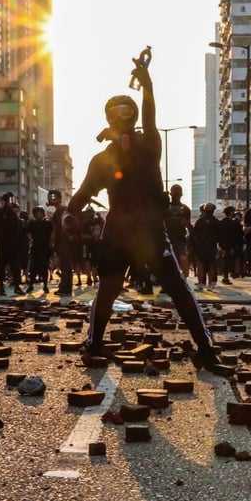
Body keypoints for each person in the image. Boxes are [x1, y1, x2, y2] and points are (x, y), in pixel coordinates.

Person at [65, 52, 220, 371]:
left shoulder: (149, 144)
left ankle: (205, 349)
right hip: (121, 232)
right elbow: (79, 197)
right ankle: (93, 343)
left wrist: (147, 84)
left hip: (148, 232)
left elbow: (149, 116)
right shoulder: (103, 159)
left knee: (177, 288)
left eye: (126, 112)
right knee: (109, 290)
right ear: (109, 119)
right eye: (116, 113)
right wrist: (71, 218)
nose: (121, 118)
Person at [0, 193, 24, 296]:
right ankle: (1, 287)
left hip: (13, 245)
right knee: (0, 268)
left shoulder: (13, 214)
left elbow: (18, 229)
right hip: (2, 244)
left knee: (16, 267)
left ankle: (17, 287)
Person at [164, 184, 193, 278]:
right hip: (167, 237)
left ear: (181, 194)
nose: (176, 194)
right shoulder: (165, 207)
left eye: (178, 191)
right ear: (171, 193)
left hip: (180, 238)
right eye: (174, 191)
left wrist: (187, 225)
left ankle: (184, 280)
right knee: (166, 260)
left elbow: (189, 226)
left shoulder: (186, 209)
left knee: (183, 258)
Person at [190, 202, 219, 291]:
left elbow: (193, 234)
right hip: (205, 246)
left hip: (206, 246)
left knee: (204, 265)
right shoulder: (214, 221)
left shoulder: (202, 221)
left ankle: (204, 284)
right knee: (207, 265)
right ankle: (206, 284)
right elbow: (194, 234)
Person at [25, 205, 53, 293]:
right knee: (33, 268)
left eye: (40, 213)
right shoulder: (32, 223)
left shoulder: (48, 223)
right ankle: (31, 285)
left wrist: (51, 243)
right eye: (37, 213)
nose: (39, 214)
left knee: (44, 268)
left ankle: (45, 285)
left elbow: (52, 233)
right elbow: (26, 231)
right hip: (35, 248)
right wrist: (30, 239)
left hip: (45, 248)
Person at [218, 206, 243, 285]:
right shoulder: (232, 223)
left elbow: (220, 236)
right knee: (228, 261)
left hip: (225, 245)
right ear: (231, 212)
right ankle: (226, 277)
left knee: (226, 261)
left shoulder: (222, 222)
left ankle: (227, 276)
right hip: (230, 245)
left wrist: (221, 246)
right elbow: (236, 235)